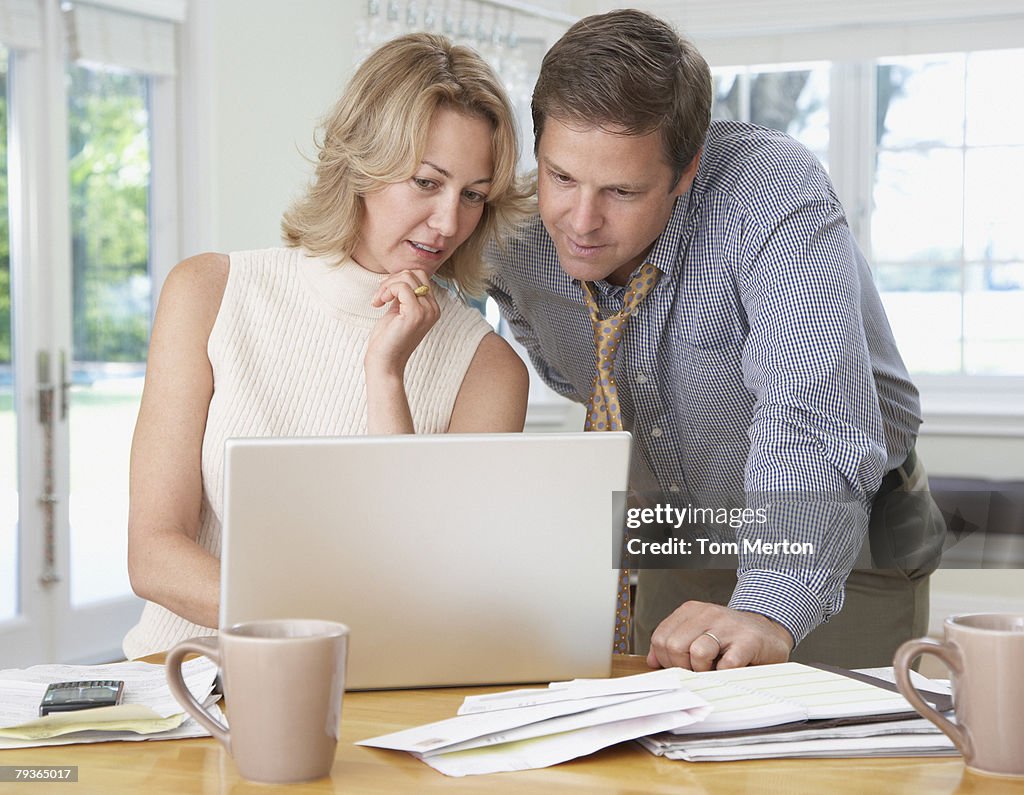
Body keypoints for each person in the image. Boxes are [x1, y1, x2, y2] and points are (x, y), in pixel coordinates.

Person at [487, 9, 946, 671]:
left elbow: (810, 415)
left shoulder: (771, 197)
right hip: (680, 529)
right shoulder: (512, 239)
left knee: (820, 762)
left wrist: (765, 607)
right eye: (561, 177)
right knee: (667, 757)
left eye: (622, 189)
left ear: (685, 169)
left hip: (844, 526)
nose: (580, 222)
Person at [123, 33, 530, 660]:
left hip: (372, 697)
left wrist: (385, 375)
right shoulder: (209, 293)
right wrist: (321, 625)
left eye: (472, 195)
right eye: (427, 182)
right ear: (361, 164)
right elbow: (154, 554)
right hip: (181, 682)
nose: (449, 222)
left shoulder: (488, 368)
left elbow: (429, 584)